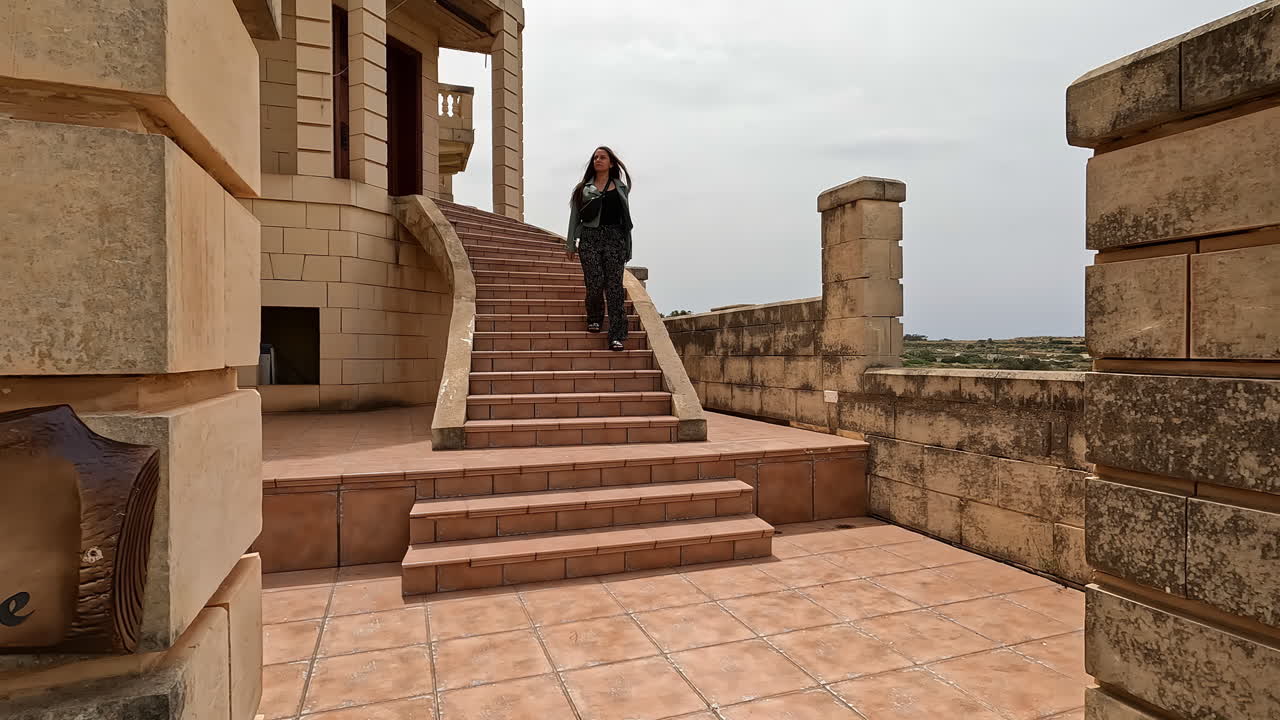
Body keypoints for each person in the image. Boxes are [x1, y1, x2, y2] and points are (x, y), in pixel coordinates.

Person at [565, 146, 634, 351]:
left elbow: (625, 219)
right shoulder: (583, 188)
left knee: (614, 287)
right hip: (590, 238)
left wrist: (627, 245)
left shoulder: (621, 188)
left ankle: (616, 334)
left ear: (611, 163)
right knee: (594, 283)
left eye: (603, 157)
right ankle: (594, 317)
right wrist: (571, 243)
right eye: (595, 157)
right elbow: (574, 217)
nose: (598, 160)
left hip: (615, 239)